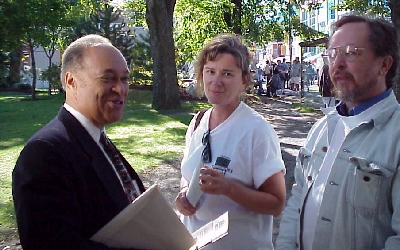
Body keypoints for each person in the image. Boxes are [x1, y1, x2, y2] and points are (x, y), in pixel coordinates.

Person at [276, 15, 400, 250]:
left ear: (384, 65)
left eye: (351, 52)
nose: (338, 63)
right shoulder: (322, 128)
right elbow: (298, 201)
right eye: (332, 54)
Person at [12, 34, 147, 249]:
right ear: (71, 81)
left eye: (124, 78)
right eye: (107, 78)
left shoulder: (97, 139)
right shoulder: (44, 153)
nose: (120, 89)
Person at [175, 34, 286, 249]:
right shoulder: (198, 122)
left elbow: (276, 204)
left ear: (244, 79)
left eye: (227, 74)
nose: (216, 81)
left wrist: (228, 188)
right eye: (210, 72)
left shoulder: (257, 130)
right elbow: (187, 175)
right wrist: (184, 192)